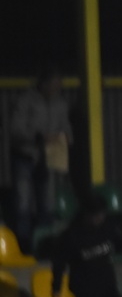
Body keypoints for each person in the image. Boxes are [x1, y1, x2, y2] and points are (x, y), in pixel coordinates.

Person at [8, 68, 72, 251]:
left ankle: (46, 242)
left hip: (48, 159)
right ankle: (24, 244)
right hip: (25, 157)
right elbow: (15, 129)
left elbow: (66, 127)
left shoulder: (60, 104)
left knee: (47, 202)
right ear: (44, 84)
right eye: (54, 86)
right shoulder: (25, 101)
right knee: (23, 202)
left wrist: (66, 138)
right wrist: (37, 137)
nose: (57, 90)